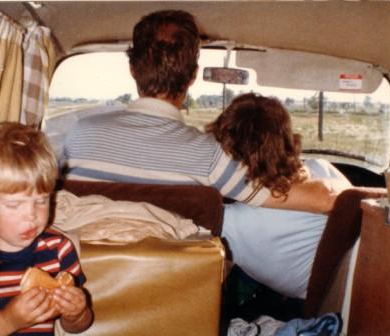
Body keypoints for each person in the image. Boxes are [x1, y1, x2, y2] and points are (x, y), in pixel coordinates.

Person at [62, 10, 346, 297]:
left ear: (133, 69)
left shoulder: (77, 133)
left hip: (75, 290)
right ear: (193, 75)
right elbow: (325, 200)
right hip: (162, 299)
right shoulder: (211, 157)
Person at [206, 93, 352, 298]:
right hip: (344, 291)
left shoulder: (227, 221)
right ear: (286, 140)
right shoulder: (322, 170)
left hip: (303, 304)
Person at [0, 122, 93, 335]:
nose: (31, 215)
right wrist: (8, 321)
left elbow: (77, 326)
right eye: (14, 204)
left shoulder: (59, 249)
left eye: (42, 200)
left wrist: (77, 314)